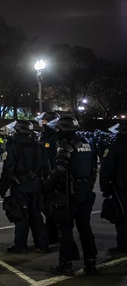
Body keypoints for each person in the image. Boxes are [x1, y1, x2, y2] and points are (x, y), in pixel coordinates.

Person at [45, 117, 98, 276]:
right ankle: (91, 262)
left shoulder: (65, 145)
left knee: (65, 229)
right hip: (85, 191)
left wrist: (48, 186)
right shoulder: (87, 143)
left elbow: (60, 169)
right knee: (85, 228)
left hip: (69, 192)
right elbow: (94, 169)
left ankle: (66, 263)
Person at [0, 120, 50, 254]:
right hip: (36, 184)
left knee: (21, 215)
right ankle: (42, 244)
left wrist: (2, 188)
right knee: (36, 214)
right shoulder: (38, 146)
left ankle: (20, 245)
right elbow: (46, 167)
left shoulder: (14, 146)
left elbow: (8, 170)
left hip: (20, 184)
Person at [100, 121, 127, 254]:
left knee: (121, 216)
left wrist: (105, 188)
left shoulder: (116, 146)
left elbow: (106, 168)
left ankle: (123, 245)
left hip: (121, 186)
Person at [38, 111, 61, 245]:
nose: (43, 122)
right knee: (46, 206)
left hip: (53, 176)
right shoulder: (44, 135)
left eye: (45, 120)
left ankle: (54, 234)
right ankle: (51, 232)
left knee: (52, 207)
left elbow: (55, 158)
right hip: (44, 174)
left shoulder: (54, 137)